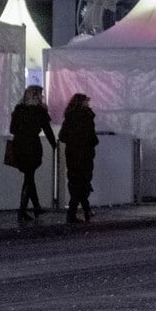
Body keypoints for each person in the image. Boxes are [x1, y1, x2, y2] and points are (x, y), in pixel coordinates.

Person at [9, 85, 56, 224]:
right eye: (40, 94)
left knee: (29, 177)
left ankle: (36, 207)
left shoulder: (18, 110)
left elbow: (12, 129)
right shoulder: (39, 111)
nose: (42, 97)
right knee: (29, 177)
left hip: (19, 146)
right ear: (36, 96)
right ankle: (22, 211)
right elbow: (47, 130)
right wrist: (54, 145)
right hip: (32, 146)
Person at [59, 93, 98, 224]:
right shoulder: (87, 117)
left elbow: (62, 136)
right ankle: (83, 212)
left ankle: (77, 212)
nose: (88, 104)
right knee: (84, 183)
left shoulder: (69, 118)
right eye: (87, 101)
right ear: (82, 103)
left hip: (72, 155)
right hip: (86, 155)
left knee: (75, 183)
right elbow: (92, 138)